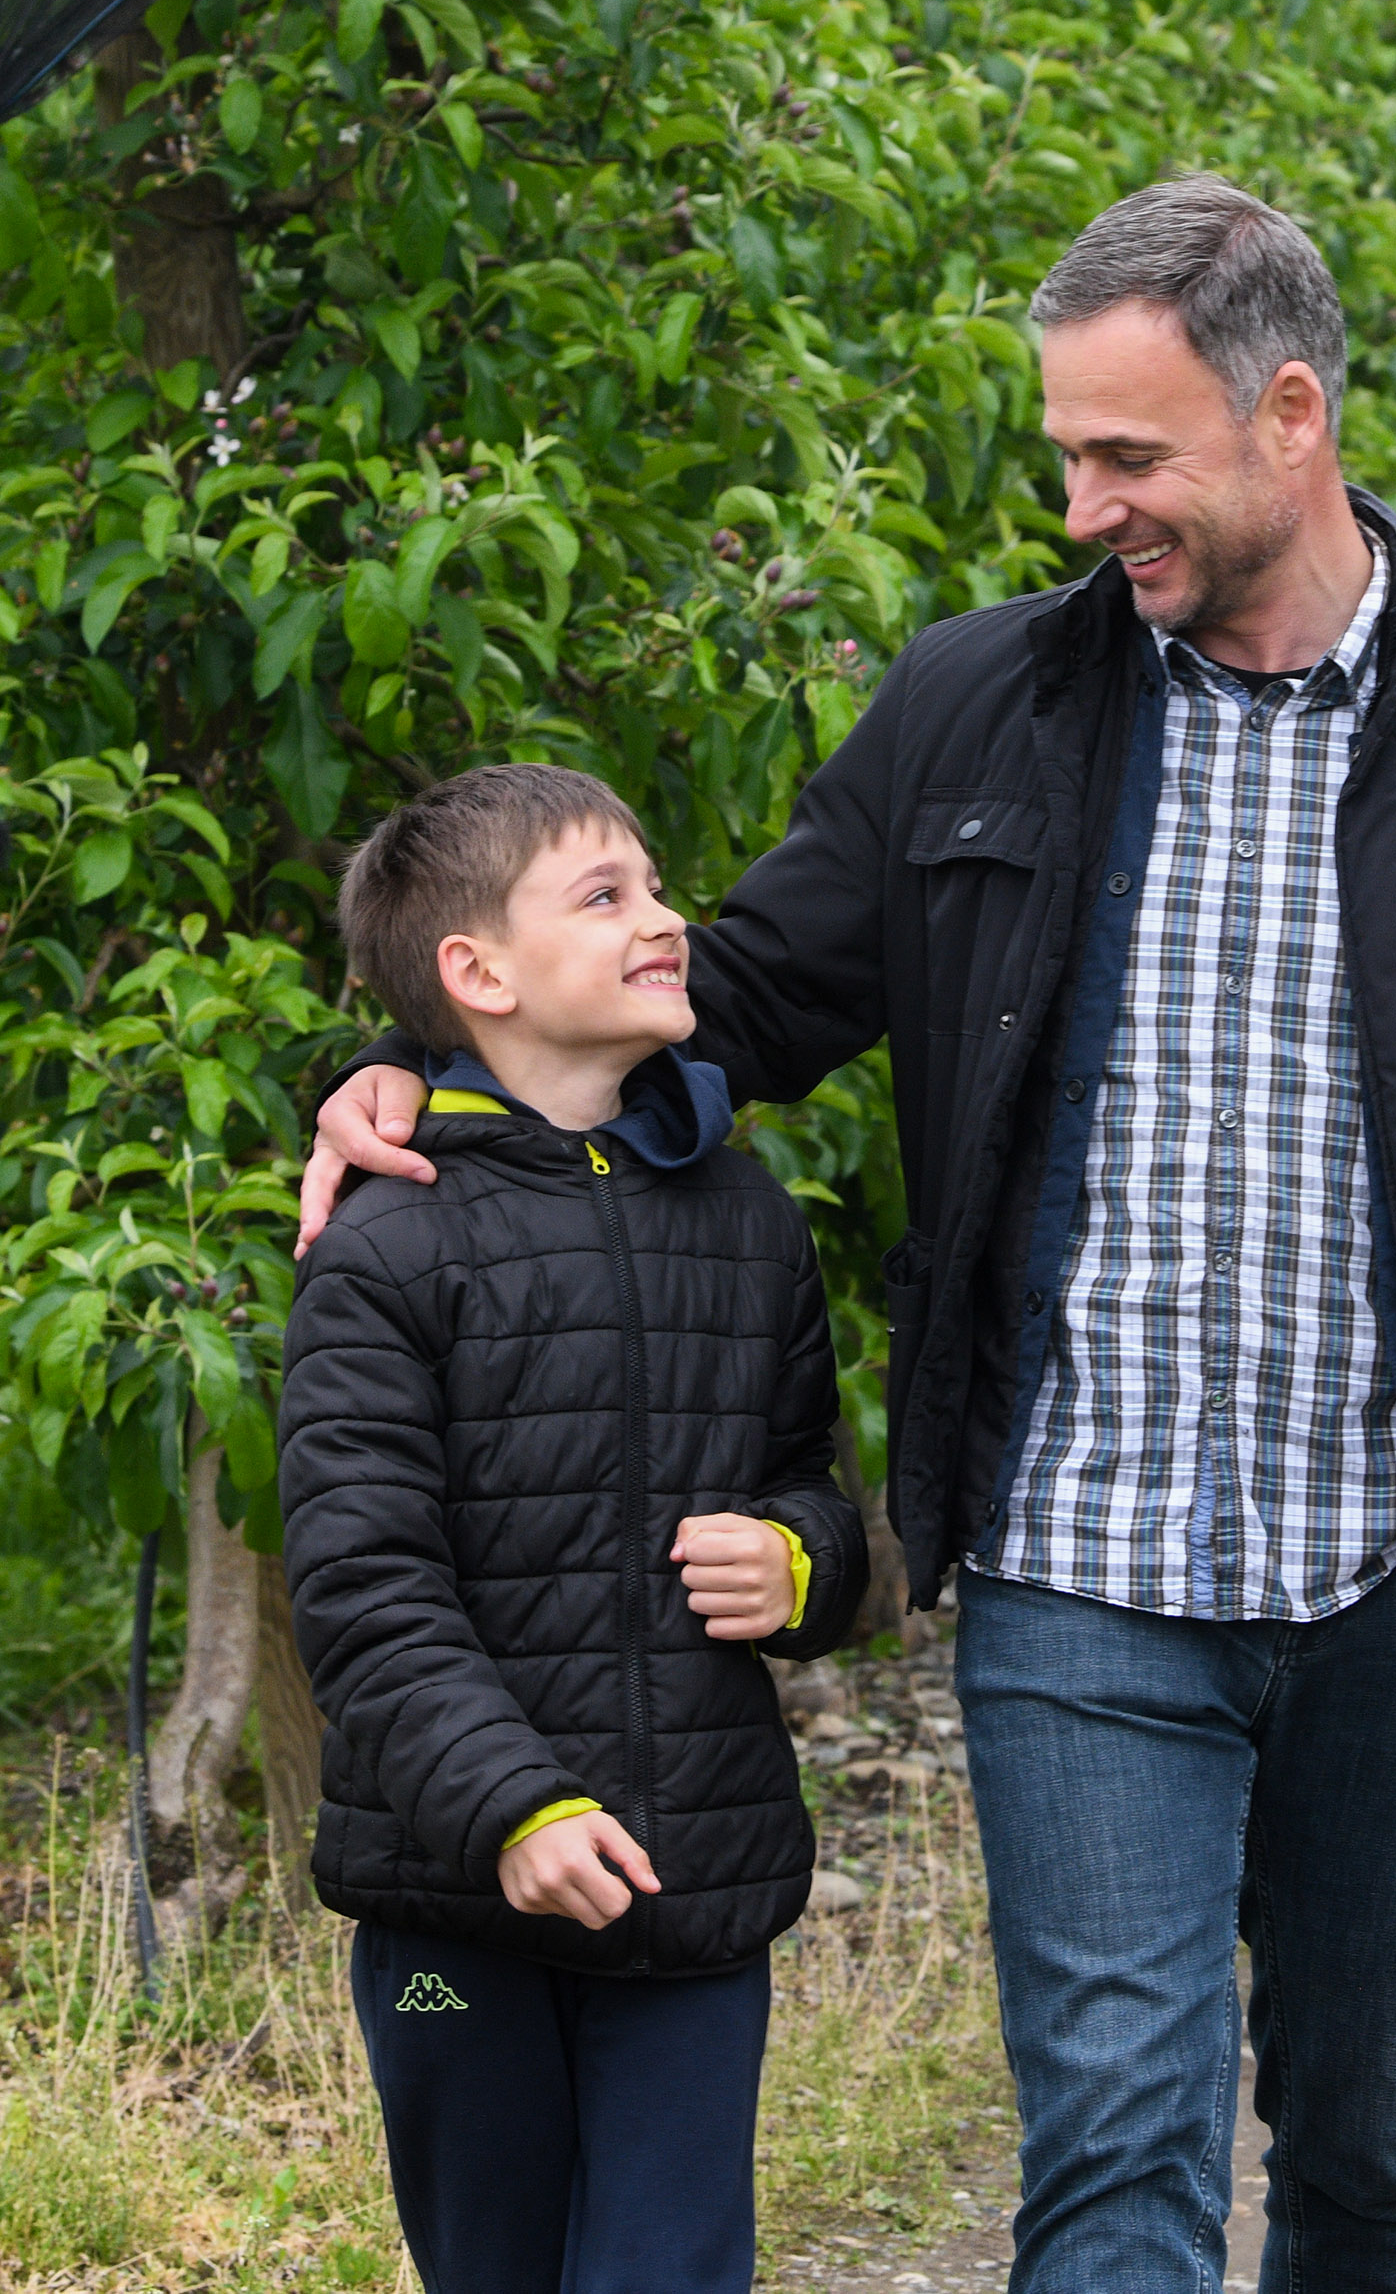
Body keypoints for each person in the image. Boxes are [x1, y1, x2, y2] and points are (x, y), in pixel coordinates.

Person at [298, 174, 1396, 2291]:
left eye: (1125, 457)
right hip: (1085, 1563)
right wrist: (393, 1071)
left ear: (1289, 415)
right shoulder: (982, 705)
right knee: (1118, 2141)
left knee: (1372, 2144)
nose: (1083, 507)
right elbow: (747, 996)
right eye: (1066, 453)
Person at [280, 760, 869, 2294]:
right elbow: (362, 1589)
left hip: (692, 1878)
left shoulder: (748, 1219)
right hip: (455, 1905)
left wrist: (800, 1559)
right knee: (497, 2268)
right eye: (605, 896)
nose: (666, 918)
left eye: (658, 885)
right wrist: (514, 1809)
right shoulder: (390, 1245)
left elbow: (817, 1474)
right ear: (475, 974)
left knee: (672, 2270)